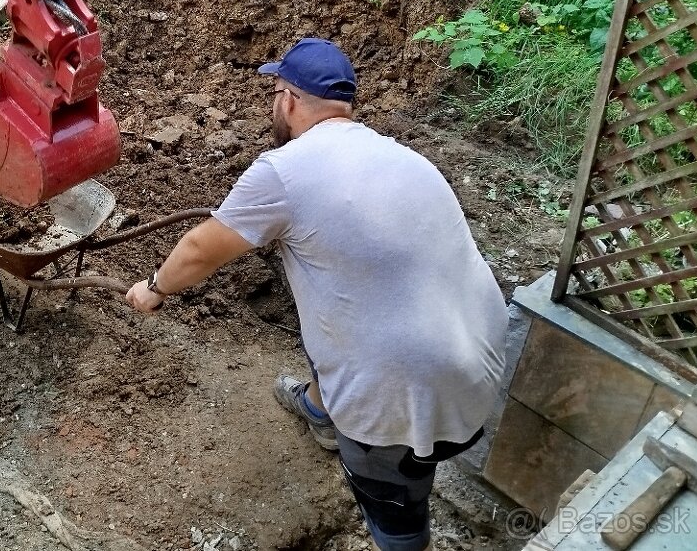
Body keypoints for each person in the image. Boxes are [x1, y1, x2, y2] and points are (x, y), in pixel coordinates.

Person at [125, 37, 507, 551]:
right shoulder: (402, 157)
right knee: (331, 301)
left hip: (407, 394)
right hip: (481, 361)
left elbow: (198, 250)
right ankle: (321, 407)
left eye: (274, 93)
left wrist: (154, 287)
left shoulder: (283, 170)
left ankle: (396, 526)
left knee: (396, 513)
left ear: (287, 98)